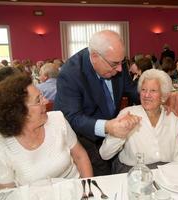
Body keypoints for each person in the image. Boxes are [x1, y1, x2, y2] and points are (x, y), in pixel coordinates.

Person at [54, 30, 141, 176]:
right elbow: (72, 117)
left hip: (112, 134)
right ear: (95, 56)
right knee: (101, 176)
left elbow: (130, 89)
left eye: (122, 62)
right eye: (115, 64)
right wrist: (107, 126)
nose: (120, 69)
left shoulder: (116, 61)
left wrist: (155, 98)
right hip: (83, 137)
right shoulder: (71, 73)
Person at [0, 74, 93, 187]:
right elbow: (8, 192)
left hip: (74, 190)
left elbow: (80, 156)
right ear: (19, 112)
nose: (46, 101)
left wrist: (88, 189)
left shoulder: (58, 120)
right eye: (38, 100)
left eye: (41, 96)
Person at [99, 69, 178, 173]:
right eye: (143, 90)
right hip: (133, 173)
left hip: (166, 173)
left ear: (163, 95)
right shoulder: (127, 114)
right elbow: (105, 154)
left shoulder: (172, 119)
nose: (146, 95)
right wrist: (121, 132)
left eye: (153, 91)